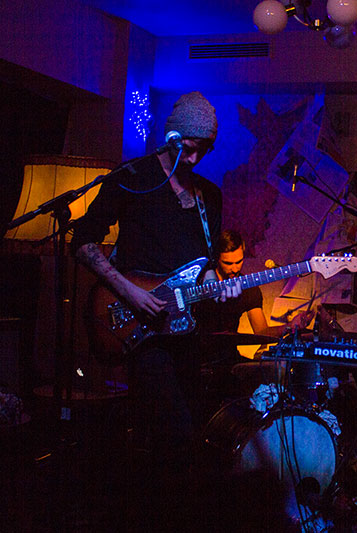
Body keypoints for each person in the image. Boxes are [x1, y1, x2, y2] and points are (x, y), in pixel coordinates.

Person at [70, 91, 237, 475]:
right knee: (173, 434)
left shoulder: (209, 196)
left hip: (186, 334)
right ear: (172, 138)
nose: (194, 159)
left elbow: (206, 266)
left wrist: (218, 284)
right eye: (189, 149)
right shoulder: (132, 178)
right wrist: (128, 291)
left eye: (204, 151)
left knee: (192, 435)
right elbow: (82, 241)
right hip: (140, 328)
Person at [195, 229, 313, 340]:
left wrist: (290, 326)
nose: (235, 269)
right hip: (196, 350)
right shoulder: (199, 281)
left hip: (228, 353)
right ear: (216, 259)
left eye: (239, 262)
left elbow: (261, 332)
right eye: (228, 263)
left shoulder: (249, 289)